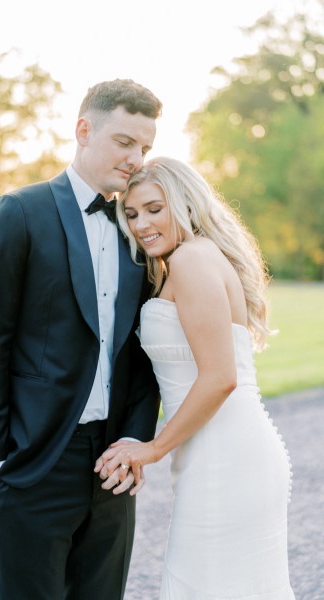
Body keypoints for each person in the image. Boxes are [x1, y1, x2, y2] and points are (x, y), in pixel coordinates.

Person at [0, 79, 162, 600]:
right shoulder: (17, 213)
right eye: (124, 142)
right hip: (34, 457)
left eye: (144, 147)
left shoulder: (138, 229)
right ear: (83, 130)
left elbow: (140, 350)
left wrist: (137, 440)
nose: (135, 158)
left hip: (113, 460)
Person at [96, 157, 295, 599]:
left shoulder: (192, 260)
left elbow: (220, 377)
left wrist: (152, 449)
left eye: (154, 208)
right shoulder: (184, 261)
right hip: (215, 455)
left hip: (228, 458)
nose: (141, 223)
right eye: (131, 214)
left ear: (184, 204)